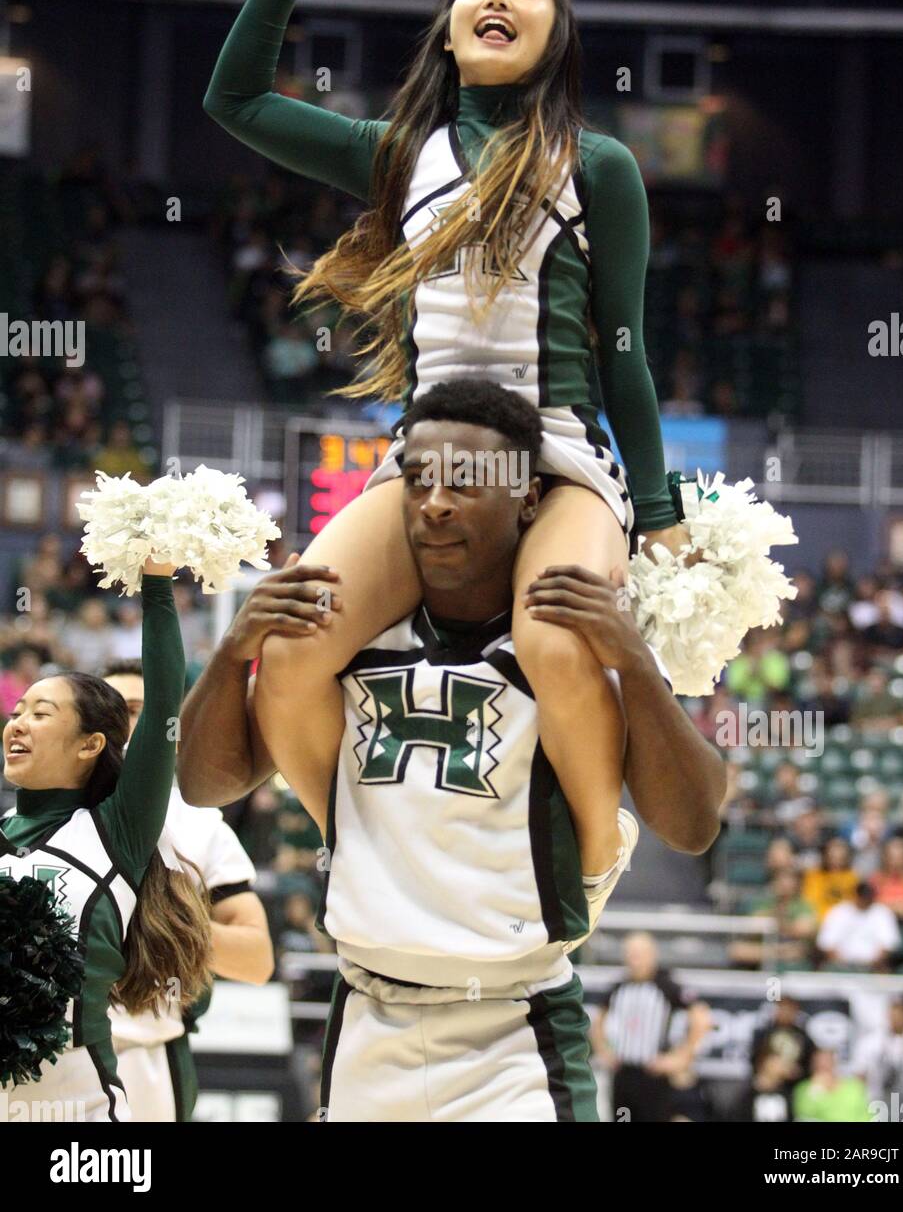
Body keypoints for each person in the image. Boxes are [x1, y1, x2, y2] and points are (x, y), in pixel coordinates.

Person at [203, 0, 691, 893]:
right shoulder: (397, 155)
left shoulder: (594, 163)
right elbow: (234, 99)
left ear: (554, 37)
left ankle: (589, 852)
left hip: (555, 451)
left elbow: (623, 346)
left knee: (557, 643)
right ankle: (365, 851)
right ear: (448, 30)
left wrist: (660, 510)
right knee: (290, 654)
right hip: (425, 455)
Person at [178, 381, 725, 1122]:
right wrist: (231, 652)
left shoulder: (573, 640)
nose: (434, 503)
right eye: (418, 482)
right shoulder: (342, 641)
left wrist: (632, 661)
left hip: (514, 1025)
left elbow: (692, 825)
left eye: (465, 483)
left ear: (528, 499)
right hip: (367, 1011)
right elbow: (207, 784)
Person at [1, 561, 210, 1123]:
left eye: (40, 714)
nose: (16, 724)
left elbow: (166, 700)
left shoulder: (113, 831)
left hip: (76, 1107)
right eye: (17, 711)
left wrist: (158, 582)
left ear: (90, 744)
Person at [100, 659, 274, 1123]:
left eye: (138, 709)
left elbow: (257, 959)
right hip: (42, 1047)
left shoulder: (201, 824)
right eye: (109, 710)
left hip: (145, 1051)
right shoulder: (43, 817)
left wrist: (153, 922)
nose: (124, 723)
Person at [591, 932, 712, 1123]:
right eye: (629, 954)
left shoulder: (666, 984)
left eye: (638, 954)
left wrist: (682, 1057)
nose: (633, 960)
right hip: (623, 1073)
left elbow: (701, 1016)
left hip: (653, 1074)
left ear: (652, 955)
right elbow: (597, 1020)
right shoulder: (619, 986)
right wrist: (603, 1051)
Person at [852, 998, 903, 1103]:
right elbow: (859, 1074)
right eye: (893, 1014)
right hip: (877, 1101)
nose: (896, 1019)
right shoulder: (870, 1042)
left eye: (900, 1014)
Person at [816, 881, 899, 972]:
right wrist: (841, 965)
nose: (865, 899)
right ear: (855, 895)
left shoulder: (882, 912)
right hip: (841, 966)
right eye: (862, 896)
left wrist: (872, 964)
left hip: (872, 967)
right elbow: (827, 943)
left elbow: (888, 944)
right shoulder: (839, 911)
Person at [750, 995, 816, 1100]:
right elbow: (754, 1060)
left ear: (796, 1011)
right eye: (782, 1008)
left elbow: (811, 1064)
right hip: (766, 1085)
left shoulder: (803, 1037)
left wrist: (795, 1072)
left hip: (794, 1088)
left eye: (789, 1009)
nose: (785, 1013)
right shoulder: (764, 1034)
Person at [792, 1049, 872, 1122]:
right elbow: (803, 1114)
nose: (823, 1068)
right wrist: (816, 1089)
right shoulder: (804, 1089)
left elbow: (865, 1115)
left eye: (827, 1063)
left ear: (834, 1064)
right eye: (819, 1065)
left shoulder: (853, 1087)